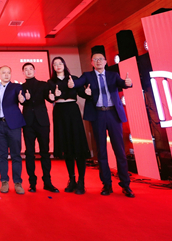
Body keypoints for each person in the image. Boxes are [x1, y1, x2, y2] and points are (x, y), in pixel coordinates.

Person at [68, 50, 134, 198]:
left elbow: (122, 83)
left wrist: (128, 83)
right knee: (101, 151)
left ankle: (125, 184)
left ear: (105, 62)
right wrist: (72, 84)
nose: (98, 61)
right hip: (97, 114)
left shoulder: (113, 75)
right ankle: (107, 184)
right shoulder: (87, 75)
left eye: (101, 59)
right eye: (95, 59)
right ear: (92, 63)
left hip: (113, 114)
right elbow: (77, 83)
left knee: (120, 151)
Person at [48, 56, 91, 195]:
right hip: (59, 113)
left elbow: (82, 94)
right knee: (67, 147)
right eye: (55, 64)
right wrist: (53, 96)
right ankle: (72, 180)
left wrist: (87, 93)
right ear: (53, 67)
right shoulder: (51, 82)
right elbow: (49, 97)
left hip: (73, 111)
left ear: (64, 64)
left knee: (78, 146)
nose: (58, 65)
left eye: (60, 63)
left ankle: (81, 181)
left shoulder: (73, 78)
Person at [20, 62, 58, 193]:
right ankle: (32, 183)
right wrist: (23, 99)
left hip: (42, 122)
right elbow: (20, 101)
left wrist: (52, 97)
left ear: (34, 71)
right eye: (26, 69)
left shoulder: (43, 84)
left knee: (45, 152)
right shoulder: (21, 87)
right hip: (28, 123)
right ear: (23, 72)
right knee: (29, 153)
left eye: (30, 69)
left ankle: (47, 182)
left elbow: (49, 97)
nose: (28, 71)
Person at [0, 65, 26, 194]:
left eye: (8, 73)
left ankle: (18, 182)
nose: (6, 75)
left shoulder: (17, 87)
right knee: (2, 155)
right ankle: (4, 181)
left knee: (16, 154)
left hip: (13, 125)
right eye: (3, 73)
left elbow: (21, 98)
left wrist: (22, 99)